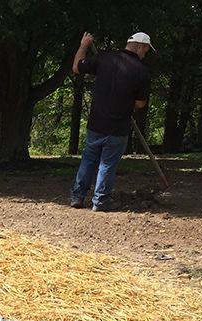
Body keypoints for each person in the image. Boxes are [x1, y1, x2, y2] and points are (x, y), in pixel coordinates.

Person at [70, 32, 153, 211]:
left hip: (96, 122)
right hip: (119, 125)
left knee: (89, 160)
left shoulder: (104, 59)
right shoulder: (142, 71)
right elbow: (140, 102)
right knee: (107, 164)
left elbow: (77, 67)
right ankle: (100, 202)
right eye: (146, 50)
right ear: (139, 46)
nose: (145, 53)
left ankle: (77, 197)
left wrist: (84, 45)